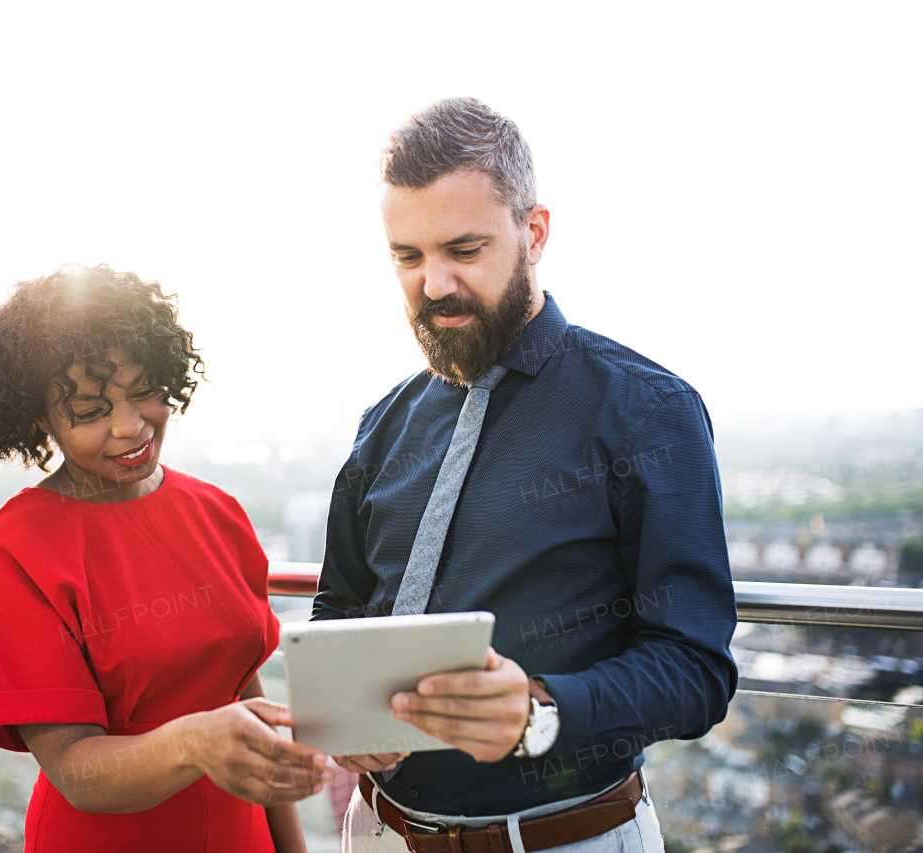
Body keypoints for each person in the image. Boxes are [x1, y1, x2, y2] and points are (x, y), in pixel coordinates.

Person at [313, 98, 738, 852]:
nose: (433, 283)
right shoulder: (382, 423)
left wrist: (542, 712)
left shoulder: (647, 411)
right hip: (373, 832)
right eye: (407, 257)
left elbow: (696, 669)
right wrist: (343, 717)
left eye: (463, 249)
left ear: (534, 233)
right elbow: (339, 609)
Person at [0, 263, 331, 853]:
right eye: (89, 411)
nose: (131, 428)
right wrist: (195, 743)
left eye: (142, 393)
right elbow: (76, 769)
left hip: (242, 833)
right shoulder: (13, 551)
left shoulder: (217, 512)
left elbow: (242, 692)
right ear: (38, 420)